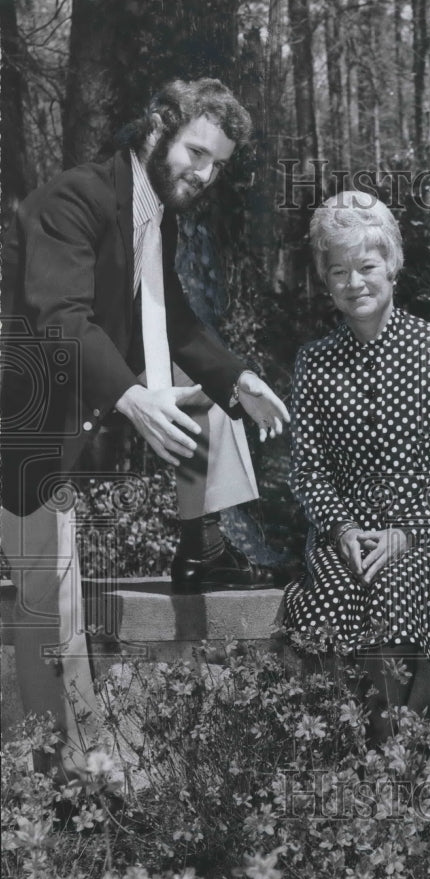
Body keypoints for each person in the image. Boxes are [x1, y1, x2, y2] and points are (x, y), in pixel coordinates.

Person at [1, 78, 289, 781]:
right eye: (196, 152)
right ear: (157, 127)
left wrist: (238, 379)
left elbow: (177, 321)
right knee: (49, 600)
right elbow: (61, 319)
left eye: (217, 163)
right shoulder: (78, 198)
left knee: (50, 602)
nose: (205, 173)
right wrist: (133, 396)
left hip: (36, 446)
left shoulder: (151, 215)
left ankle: (53, 773)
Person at [283, 191, 430, 745]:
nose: (355, 283)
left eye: (367, 266)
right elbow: (308, 470)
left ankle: (400, 754)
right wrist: (344, 530)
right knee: (330, 600)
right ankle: (335, 752)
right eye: (339, 271)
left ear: (392, 265)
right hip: (345, 534)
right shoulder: (315, 362)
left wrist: (406, 533)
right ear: (325, 280)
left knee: (395, 590)